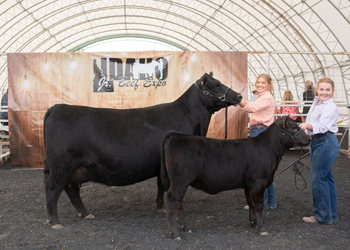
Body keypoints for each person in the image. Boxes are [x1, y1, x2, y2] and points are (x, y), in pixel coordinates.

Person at [299, 77, 339, 224]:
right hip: (318, 142)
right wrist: (307, 128)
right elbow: (312, 121)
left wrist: (306, 126)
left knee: (319, 179)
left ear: (333, 91)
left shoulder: (330, 107)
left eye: (327, 89)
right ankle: (331, 214)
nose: (324, 92)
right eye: (321, 89)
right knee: (326, 179)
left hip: (326, 142)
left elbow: (321, 126)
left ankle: (321, 216)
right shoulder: (316, 102)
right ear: (317, 89)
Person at [239, 73, 277, 210]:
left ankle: (261, 203)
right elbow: (251, 104)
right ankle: (270, 202)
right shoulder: (262, 97)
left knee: (260, 171)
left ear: (269, 85)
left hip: (260, 131)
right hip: (260, 130)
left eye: (263, 83)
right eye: (258, 82)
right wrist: (243, 102)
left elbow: (252, 108)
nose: (260, 85)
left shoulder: (266, 97)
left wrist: (237, 100)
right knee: (265, 171)